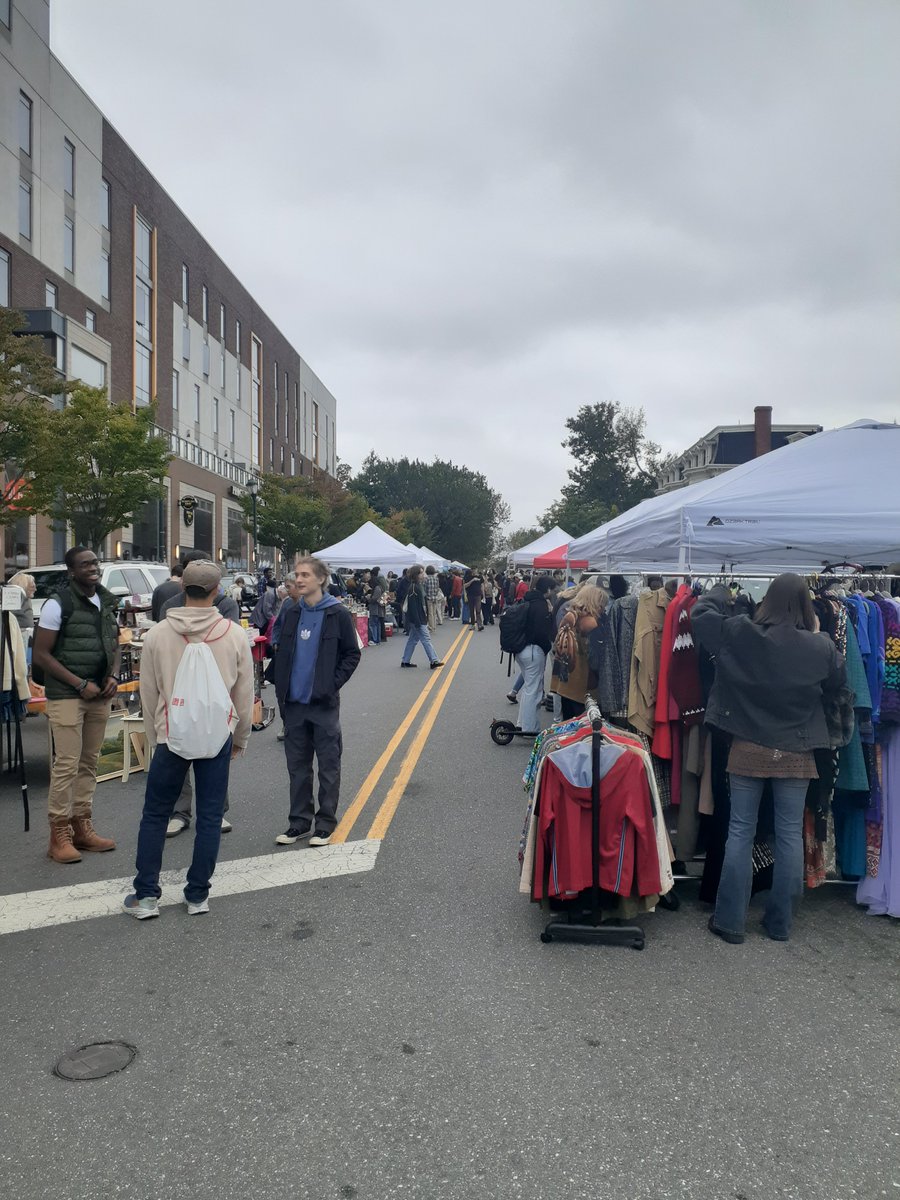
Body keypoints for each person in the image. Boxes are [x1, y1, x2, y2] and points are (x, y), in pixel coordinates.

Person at [693, 574, 848, 944]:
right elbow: (837, 686)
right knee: (789, 835)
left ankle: (730, 922)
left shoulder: (742, 632)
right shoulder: (821, 646)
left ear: (769, 601)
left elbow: (700, 614)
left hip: (748, 745)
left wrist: (722, 590)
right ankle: (779, 924)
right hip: (797, 749)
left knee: (740, 832)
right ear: (806, 605)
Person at [123, 559, 254, 918]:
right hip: (217, 733)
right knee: (210, 816)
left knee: (155, 814)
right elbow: (244, 693)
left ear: (183, 589)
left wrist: (154, 735)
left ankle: (146, 896)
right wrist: (240, 736)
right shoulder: (233, 633)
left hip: (171, 733)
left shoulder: (159, 634)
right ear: (217, 591)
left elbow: (148, 693)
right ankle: (197, 894)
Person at [32, 546, 120, 864]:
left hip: (99, 695)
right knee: (67, 763)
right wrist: (78, 684)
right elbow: (42, 653)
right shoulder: (59, 604)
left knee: (90, 762)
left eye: (95, 562)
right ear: (71, 571)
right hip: (68, 695)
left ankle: (82, 826)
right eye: (85, 564)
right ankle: (59, 834)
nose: (93, 567)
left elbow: (115, 642)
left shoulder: (107, 601)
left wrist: (112, 675)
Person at [273, 556, 361, 847]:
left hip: (322, 704)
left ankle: (325, 823)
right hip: (294, 705)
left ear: (321, 579)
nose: (298, 580)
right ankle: (298, 823)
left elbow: (352, 654)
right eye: (297, 575)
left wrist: (331, 685)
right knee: (297, 768)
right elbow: (282, 650)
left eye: (305, 575)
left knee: (328, 765)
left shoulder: (336, 613)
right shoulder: (291, 612)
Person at [161, 554, 241, 837]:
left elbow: (232, 655)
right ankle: (180, 812)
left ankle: (216, 811)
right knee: (183, 757)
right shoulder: (170, 608)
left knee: (213, 756)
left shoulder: (227, 607)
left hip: (215, 694)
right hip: (178, 695)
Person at [550, 585, 609, 720]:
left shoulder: (570, 615)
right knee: (584, 728)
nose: (603, 609)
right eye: (602, 605)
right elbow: (595, 659)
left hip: (565, 682)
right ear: (595, 602)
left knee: (569, 724)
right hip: (583, 685)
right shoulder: (590, 623)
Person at [513, 575, 555, 736]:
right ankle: (530, 728)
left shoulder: (527, 600)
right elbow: (541, 632)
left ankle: (522, 723)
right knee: (534, 691)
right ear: (548, 589)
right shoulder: (541, 605)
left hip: (520, 649)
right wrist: (546, 647)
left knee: (529, 689)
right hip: (533, 650)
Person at [161, 550, 241, 623]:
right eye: (192, 571)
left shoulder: (227, 605)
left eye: (203, 571)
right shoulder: (170, 606)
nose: (198, 575)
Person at [400, 565, 444, 670]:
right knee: (426, 639)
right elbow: (414, 607)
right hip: (418, 619)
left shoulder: (416, 586)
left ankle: (405, 660)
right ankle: (434, 660)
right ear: (416, 575)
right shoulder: (415, 588)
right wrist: (418, 621)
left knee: (413, 640)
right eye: (420, 573)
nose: (423, 575)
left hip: (417, 618)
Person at [7, 571, 35, 641]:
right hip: (20, 634)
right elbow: (10, 616)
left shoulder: (24, 597)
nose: (35, 589)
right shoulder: (18, 595)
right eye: (32, 586)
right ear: (24, 585)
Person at [424, 565, 443, 632]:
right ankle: (434, 626)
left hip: (428, 597)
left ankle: (431, 627)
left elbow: (425, 588)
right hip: (435, 597)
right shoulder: (436, 579)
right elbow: (438, 588)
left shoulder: (426, 579)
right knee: (434, 613)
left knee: (430, 613)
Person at [368, 571, 385, 645]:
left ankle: (375, 639)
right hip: (378, 609)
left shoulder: (377, 588)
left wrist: (368, 597)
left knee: (373, 624)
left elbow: (375, 599)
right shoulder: (380, 587)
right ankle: (377, 639)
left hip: (375, 609)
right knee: (377, 624)